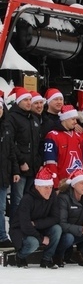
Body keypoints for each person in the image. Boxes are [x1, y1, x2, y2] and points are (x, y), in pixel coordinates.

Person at [9, 167, 62, 268]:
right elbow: (25, 225)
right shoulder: (27, 199)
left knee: (57, 229)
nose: (49, 190)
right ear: (37, 187)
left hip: (39, 227)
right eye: (46, 187)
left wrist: (37, 223)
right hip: (20, 231)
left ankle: (46, 259)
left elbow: (55, 218)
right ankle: (20, 256)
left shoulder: (52, 196)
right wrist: (41, 238)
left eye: (50, 187)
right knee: (33, 242)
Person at [6, 87, 42, 213]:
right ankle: (15, 229)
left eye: (30, 99)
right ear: (18, 101)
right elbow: (10, 142)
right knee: (18, 200)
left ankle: (24, 228)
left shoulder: (34, 118)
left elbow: (37, 144)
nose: (29, 102)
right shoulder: (12, 117)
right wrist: (21, 162)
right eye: (25, 100)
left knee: (28, 201)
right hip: (20, 167)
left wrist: (38, 162)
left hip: (33, 167)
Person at [43, 104, 83, 188]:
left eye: (76, 119)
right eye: (73, 119)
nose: (75, 122)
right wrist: (56, 185)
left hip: (78, 182)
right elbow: (50, 163)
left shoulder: (78, 136)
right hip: (62, 183)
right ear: (64, 119)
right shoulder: (52, 135)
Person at [0, 91, 20, 248]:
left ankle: (1, 236)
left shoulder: (6, 127)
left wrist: (15, 170)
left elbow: (12, 151)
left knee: (1, 207)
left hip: (3, 175)